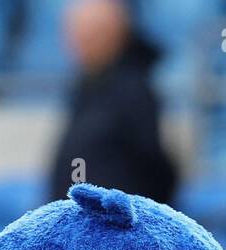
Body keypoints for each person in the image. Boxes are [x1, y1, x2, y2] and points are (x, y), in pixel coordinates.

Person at [47, 0, 176, 205]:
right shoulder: (86, 87)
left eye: (90, 35)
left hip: (111, 225)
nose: (76, 44)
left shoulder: (133, 90)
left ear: (115, 35)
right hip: (79, 222)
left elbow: (155, 168)